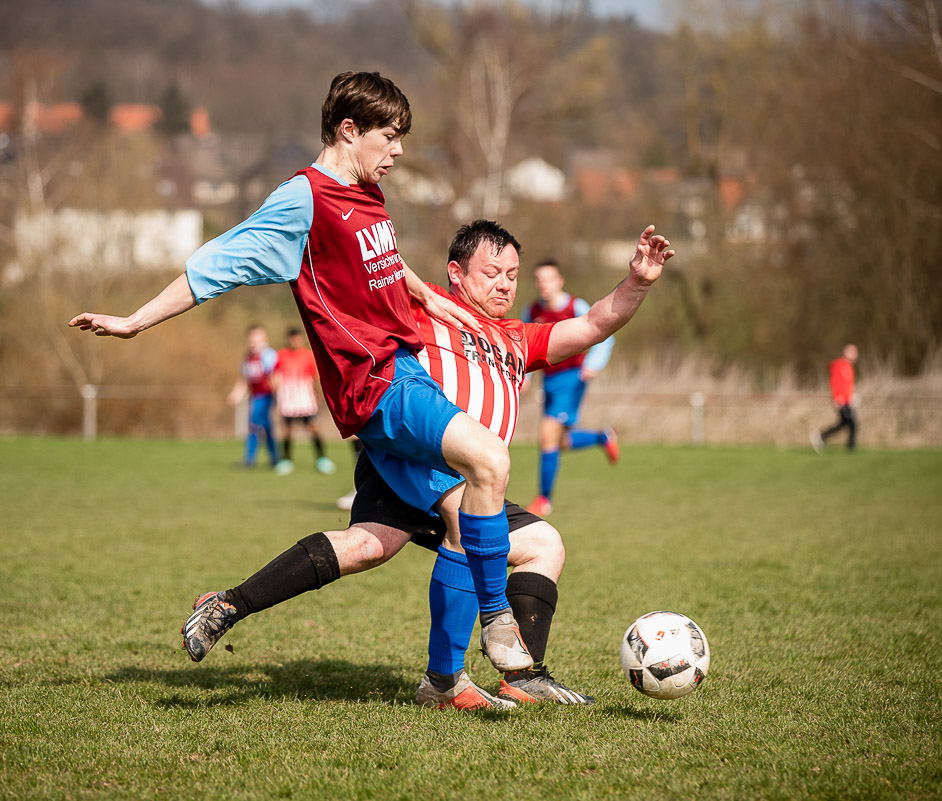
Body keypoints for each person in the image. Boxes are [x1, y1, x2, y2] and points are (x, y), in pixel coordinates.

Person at [69, 71, 532, 673]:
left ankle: (235, 607)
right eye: (389, 137)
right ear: (348, 130)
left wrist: (425, 295)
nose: (398, 151)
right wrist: (135, 321)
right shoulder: (304, 198)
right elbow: (219, 262)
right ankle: (496, 625)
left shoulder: (368, 195)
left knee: (374, 542)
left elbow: (382, 260)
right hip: (378, 383)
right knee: (490, 461)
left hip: (399, 378)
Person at [180, 220, 674, 710]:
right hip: (412, 458)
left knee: (520, 545)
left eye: (512, 274)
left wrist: (637, 282)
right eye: (492, 271)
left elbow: (593, 324)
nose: (504, 282)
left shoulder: (517, 338)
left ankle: (525, 676)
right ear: (456, 273)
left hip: (473, 481)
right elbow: (368, 272)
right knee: (449, 517)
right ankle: (442, 683)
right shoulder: (423, 307)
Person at [523, 260, 620, 517]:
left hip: (572, 378)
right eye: (539, 280)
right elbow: (522, 344)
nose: (543, 285)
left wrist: (593, 363)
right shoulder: (531, 310)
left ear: (559, 281)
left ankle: (544, 499)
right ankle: (603, 437)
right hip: (549, 380)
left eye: (549, 279)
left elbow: (603, 333)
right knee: (560, 441)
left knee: (546, 435)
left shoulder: (575, 306)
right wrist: (524, 375)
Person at [272, 327, 335, 475]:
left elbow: (316, 378)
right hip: (288, 400)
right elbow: (275, 375)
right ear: (288, 339)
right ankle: (286, 460)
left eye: (297, 338)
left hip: (305, 399)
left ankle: (322, 459)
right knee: (287, 430)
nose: (295, 341)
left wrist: (318, 397)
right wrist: (277, 394)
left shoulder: (309, 355)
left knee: (314, 428)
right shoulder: (281, 355)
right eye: (292, 338)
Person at [227, 324, 279, 469]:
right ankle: (275, 458)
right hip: (255, 396)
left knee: (254, 422)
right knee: (266, 426)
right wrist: (236, 394)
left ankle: (249, 459)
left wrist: (279, 398)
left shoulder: (269, 354)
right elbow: (244, 379)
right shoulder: (247, 357)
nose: (253, 339)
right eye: (251, 336)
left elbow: (274, 377)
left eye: (256, 336)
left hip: (266, 396)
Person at [811, 344, 859, 453]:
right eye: (852, 351)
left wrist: (851, 398)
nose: (854, 354)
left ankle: (823, 436)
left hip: (848, 401)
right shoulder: (840, 365)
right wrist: (837, 397)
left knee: (846, 423)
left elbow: (848, 386)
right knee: (851, 423)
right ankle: (850, 446)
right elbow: (835, 383)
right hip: (842, 401)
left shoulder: (849, 367)